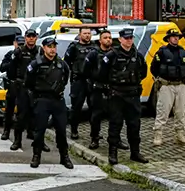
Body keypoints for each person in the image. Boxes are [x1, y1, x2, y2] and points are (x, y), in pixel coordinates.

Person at [97, 28, 147, 165]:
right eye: (126, 38)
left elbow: (144, 73)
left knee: (134, 125)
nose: (129, 40)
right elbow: (102, 74)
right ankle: (112, 153)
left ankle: (135, 153)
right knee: (115, 124)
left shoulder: (138, 55)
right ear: (120, 39)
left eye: (130, 38)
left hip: (132, 95)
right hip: (117, 95)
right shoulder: (112, 55)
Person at [24, 36, 73, 169]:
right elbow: (28, 82)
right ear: (44, 48)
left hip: (58, 100)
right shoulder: (36, 63)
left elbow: (66, 76)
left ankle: (64, 157)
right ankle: (36, 156)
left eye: (54, 47)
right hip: (42, 100)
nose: (52, 50)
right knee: (39, 131)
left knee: (61, 130)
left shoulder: (62, 64)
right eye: (49, 47)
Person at [150, 28, 185, 147]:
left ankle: (179, 134)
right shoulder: (162, 52)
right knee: (163, 110)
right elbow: (154, 68)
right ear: (168, 39)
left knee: (180, 111)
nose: (176, 38)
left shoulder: (183, 52)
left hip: (180, 85)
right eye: (173, 36)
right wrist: (160, 78)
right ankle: (158, 134)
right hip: (167, 85)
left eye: (177, 36)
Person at [5, 29, 43, 152]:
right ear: (25, 38)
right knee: (21, 115)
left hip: (37, 86)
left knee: (38, 115)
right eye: (29, 36)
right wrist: (15, 82)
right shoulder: (19, 51)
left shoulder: (40, 51)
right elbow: (11, 68)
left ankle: (40, 141)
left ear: (36, 38)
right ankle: (17, 141)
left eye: (33, 36)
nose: (31, 38)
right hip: (22, 86)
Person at [63, 27, 97, 140]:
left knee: (94, 108)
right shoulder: (74, 47)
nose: (87, 35)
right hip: (78, 81)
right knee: (76, 108)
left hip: (91, 81)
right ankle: (74, 130)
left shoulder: (95, 47)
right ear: (80, 34)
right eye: (85, 33)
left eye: (89, 33)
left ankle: (94, 133)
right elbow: (66, 63)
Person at [85, 28, 116, 151]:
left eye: (109, 38)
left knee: (115, 115)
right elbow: (85, 70)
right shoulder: (94, 54)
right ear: (100, 40)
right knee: (96, 115)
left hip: (112, 88)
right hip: (97, 88)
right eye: (105, 38)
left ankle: (114, 139)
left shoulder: (115, 53)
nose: (108, 40)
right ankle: (94, 138)